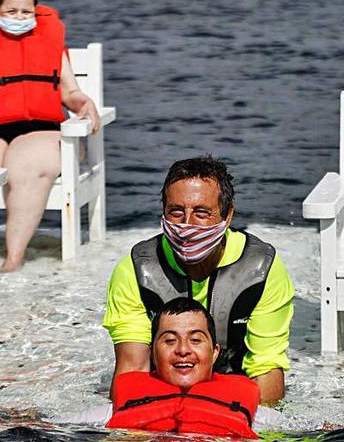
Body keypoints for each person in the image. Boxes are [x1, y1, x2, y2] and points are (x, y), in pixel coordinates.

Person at [103, 156, 294, 403]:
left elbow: (265, 367)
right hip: (161, 388)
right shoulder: (136, 270)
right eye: (176, 212)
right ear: (163, 212)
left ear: (227, 216)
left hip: (235, 388)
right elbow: (133, 369)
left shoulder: (262, 269)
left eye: (201, 213)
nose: (187, 226)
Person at [0, 0, 101, 272]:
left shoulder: (52, 47)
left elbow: (70, 92)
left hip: (42, 130)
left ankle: (13, 259)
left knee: (26, 166)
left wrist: (84, 104)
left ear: (36, 12)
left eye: (27, 12)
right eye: (11, 12)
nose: (20, 18)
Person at [61, 297, 282, 438]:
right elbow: (52, 427)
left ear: (215, 352)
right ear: (153, 353)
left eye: (195, 340)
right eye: (169, 341)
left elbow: (303, 432)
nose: (183, 350)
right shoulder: (112, 412)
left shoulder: (251, 414)